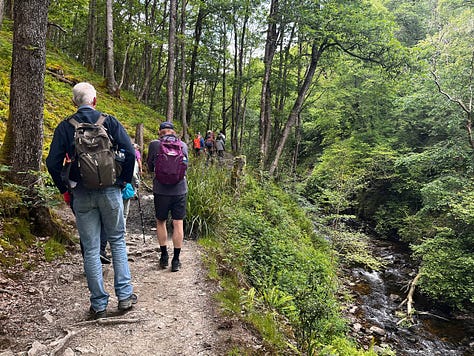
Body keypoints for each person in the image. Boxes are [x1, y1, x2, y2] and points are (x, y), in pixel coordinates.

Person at [46, 82, 137, 319]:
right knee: (117, 241)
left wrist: (66, 189)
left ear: (75, 103)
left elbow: (52, 163)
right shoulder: (110, 122)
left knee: (92, 249)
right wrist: (123, 181)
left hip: (82, 194)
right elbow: (129, 152)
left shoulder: (65, 127)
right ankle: (125, 296)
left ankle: (98, 304)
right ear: (94, 101)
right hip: (110, 191)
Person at [147, 121, 188, 272]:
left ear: (160, 132)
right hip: (179, 189)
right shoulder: (182, 145)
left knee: (161, 221)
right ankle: (176, 260)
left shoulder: (154, 145)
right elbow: (185, 166)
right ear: (173, 132)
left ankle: (164, 256)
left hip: (161, 190)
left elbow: (150, 166)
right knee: (178, 223)